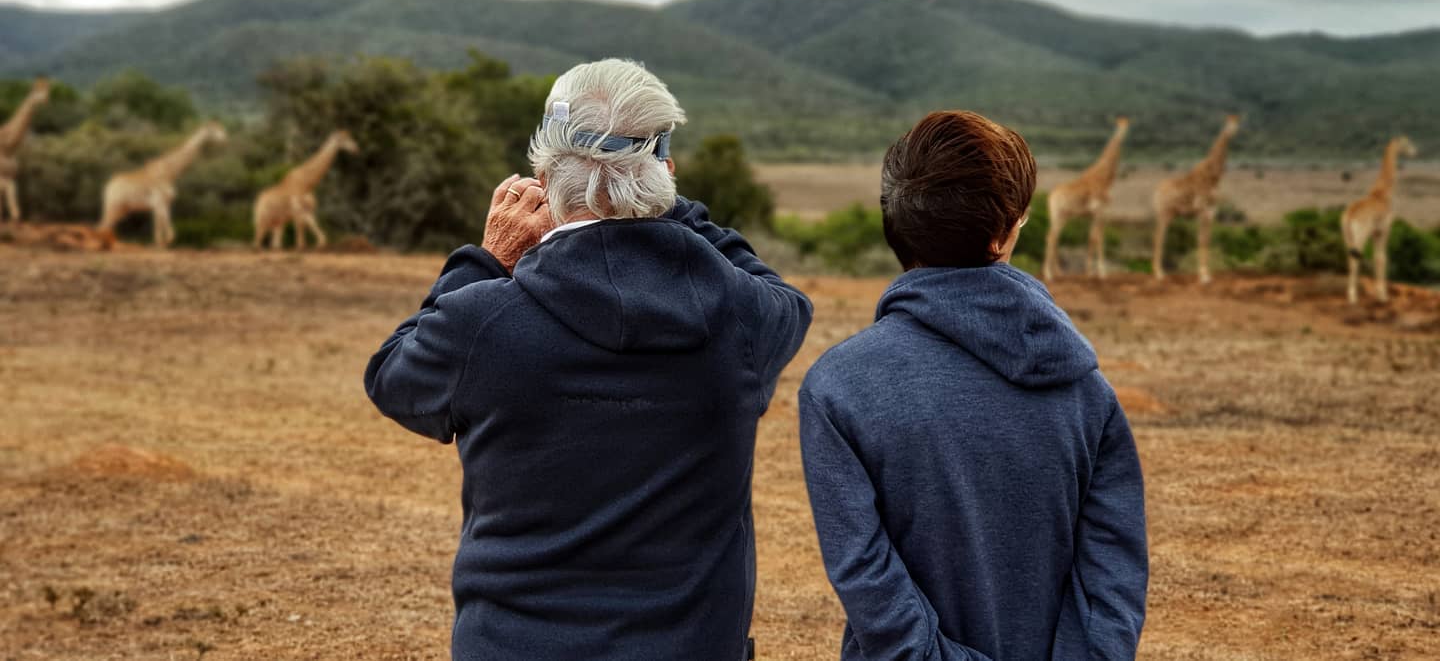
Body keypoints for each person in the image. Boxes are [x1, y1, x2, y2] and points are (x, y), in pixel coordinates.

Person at [364, 59, 813, 661]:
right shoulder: (744, 318)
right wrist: (665, 203)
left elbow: (394, 378)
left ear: (543, 178)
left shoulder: (481, 321)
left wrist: (487, 259)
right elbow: (786, 296)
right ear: (664, 171)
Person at [799, 110, 1148, 661]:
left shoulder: (837, 388)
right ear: (1007, 230)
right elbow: (1114, 572)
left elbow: (865, 575)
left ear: (894, 223)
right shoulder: (1086, 391)